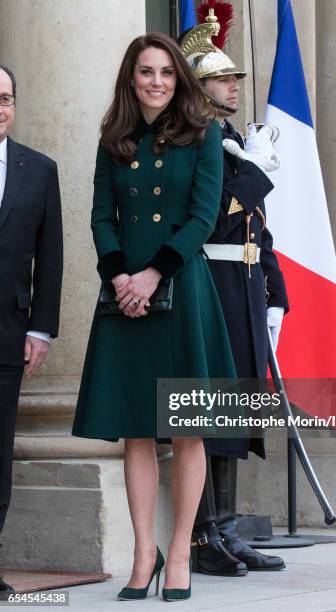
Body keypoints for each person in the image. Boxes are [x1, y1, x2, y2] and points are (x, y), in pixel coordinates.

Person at [72, 33, 237, 602]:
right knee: (137, 430)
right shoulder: (112, 139)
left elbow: (202, 216)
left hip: (181, 291)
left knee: (187, 429)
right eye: (147, 72)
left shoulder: (204, 134)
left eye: (167, 72)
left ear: (179, 79)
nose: (158, 82)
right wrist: (120, 276)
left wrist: (153, 274)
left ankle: (182, 551)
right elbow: (100, 217)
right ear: (132, 78)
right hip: (123, 299)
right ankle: (145, 553)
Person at [180, 7, 289, 576]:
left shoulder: (228, 139)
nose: (233, 86)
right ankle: (203, 538)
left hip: (242, 287)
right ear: (198, 89)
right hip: (213, 286)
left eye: (234, 78)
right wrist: (257, 172)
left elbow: (257, 230)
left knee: (238, 412)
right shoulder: (196, 143)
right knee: (211, 413)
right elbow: (217, 218)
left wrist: (277, 293)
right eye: (223, 79)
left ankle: (226, 527)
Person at [0, 65, 63, 598]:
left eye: (5, 99)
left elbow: (53, 257)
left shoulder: (39, 170)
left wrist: (41, 329)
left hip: (7, 334)